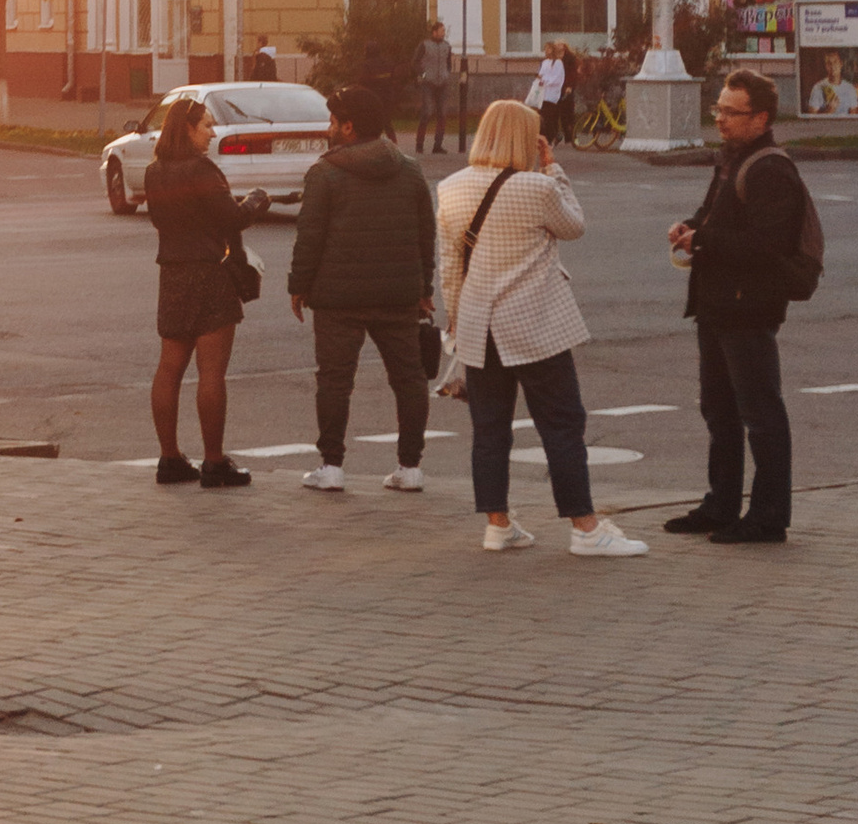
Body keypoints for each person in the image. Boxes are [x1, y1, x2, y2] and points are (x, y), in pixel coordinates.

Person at [438, 98, 647, 559]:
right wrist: (554, 168)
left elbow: (450, 267)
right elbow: (574, 226)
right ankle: (585, 528)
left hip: (478, 326)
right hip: (534, 324)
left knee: (490, 429)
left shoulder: (450, 187)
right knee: (562, 424)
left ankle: (498, 525)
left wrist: (456, 321)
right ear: (526, 140)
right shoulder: (537, 187)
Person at [666, 68, 812, 544]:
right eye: (719, 109)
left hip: (748, 307)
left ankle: (768, 516)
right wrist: (689, 227)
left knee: (760, 413)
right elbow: (714, 217)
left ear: (761, 118)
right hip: (716, 303)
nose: (721, 119)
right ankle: (721, 505)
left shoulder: (771, 170)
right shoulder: (730, 158)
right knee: (719, 411)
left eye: (731, 111)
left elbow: (768, 245)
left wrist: (703, 239)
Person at [288, 84, 437, 494]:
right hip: (399, 295)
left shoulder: (325, 174)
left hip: (338, 299)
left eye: (333, 122)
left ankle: (331, 467)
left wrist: (298, 286)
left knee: (335, 381)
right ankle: (410, 467)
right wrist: (424, 287)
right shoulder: (409, 170)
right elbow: (425, 236)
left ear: (349, 127)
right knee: (409, 379)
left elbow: (310, 238)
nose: (328, 129)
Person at [140, 90, 270, 487]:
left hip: (172, 273)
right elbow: (232, 218)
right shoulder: (202, 170)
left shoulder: (154, 171)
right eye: (207, 126)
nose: (212, 134)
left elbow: (160, 220)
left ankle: (169, 459)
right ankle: (214, 462)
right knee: (211, 372)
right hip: (210, 274)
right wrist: (256, 201)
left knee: (168, 369)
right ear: (188, 128)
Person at [413, 21, 455, 156]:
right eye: (442, 31)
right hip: (428, 83)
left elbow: (448, 63)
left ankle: (438, 145)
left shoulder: (447, 46)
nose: (443, 33)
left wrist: (446, 74)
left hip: (442, 83)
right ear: (434, 32)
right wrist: (423, 74)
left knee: (442, 114)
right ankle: (419, 144)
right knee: (427, 113)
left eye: (444, 31)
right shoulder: (424, 45)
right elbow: (415, 61)